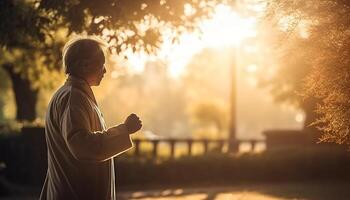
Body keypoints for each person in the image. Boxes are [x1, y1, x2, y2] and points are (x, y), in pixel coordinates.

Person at [39, 36, 142, 200]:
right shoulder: (73, 97)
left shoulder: (75, 95)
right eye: (101, 64)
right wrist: (124, 130)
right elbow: (82, 146)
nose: (105, 71)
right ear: (84, 65)